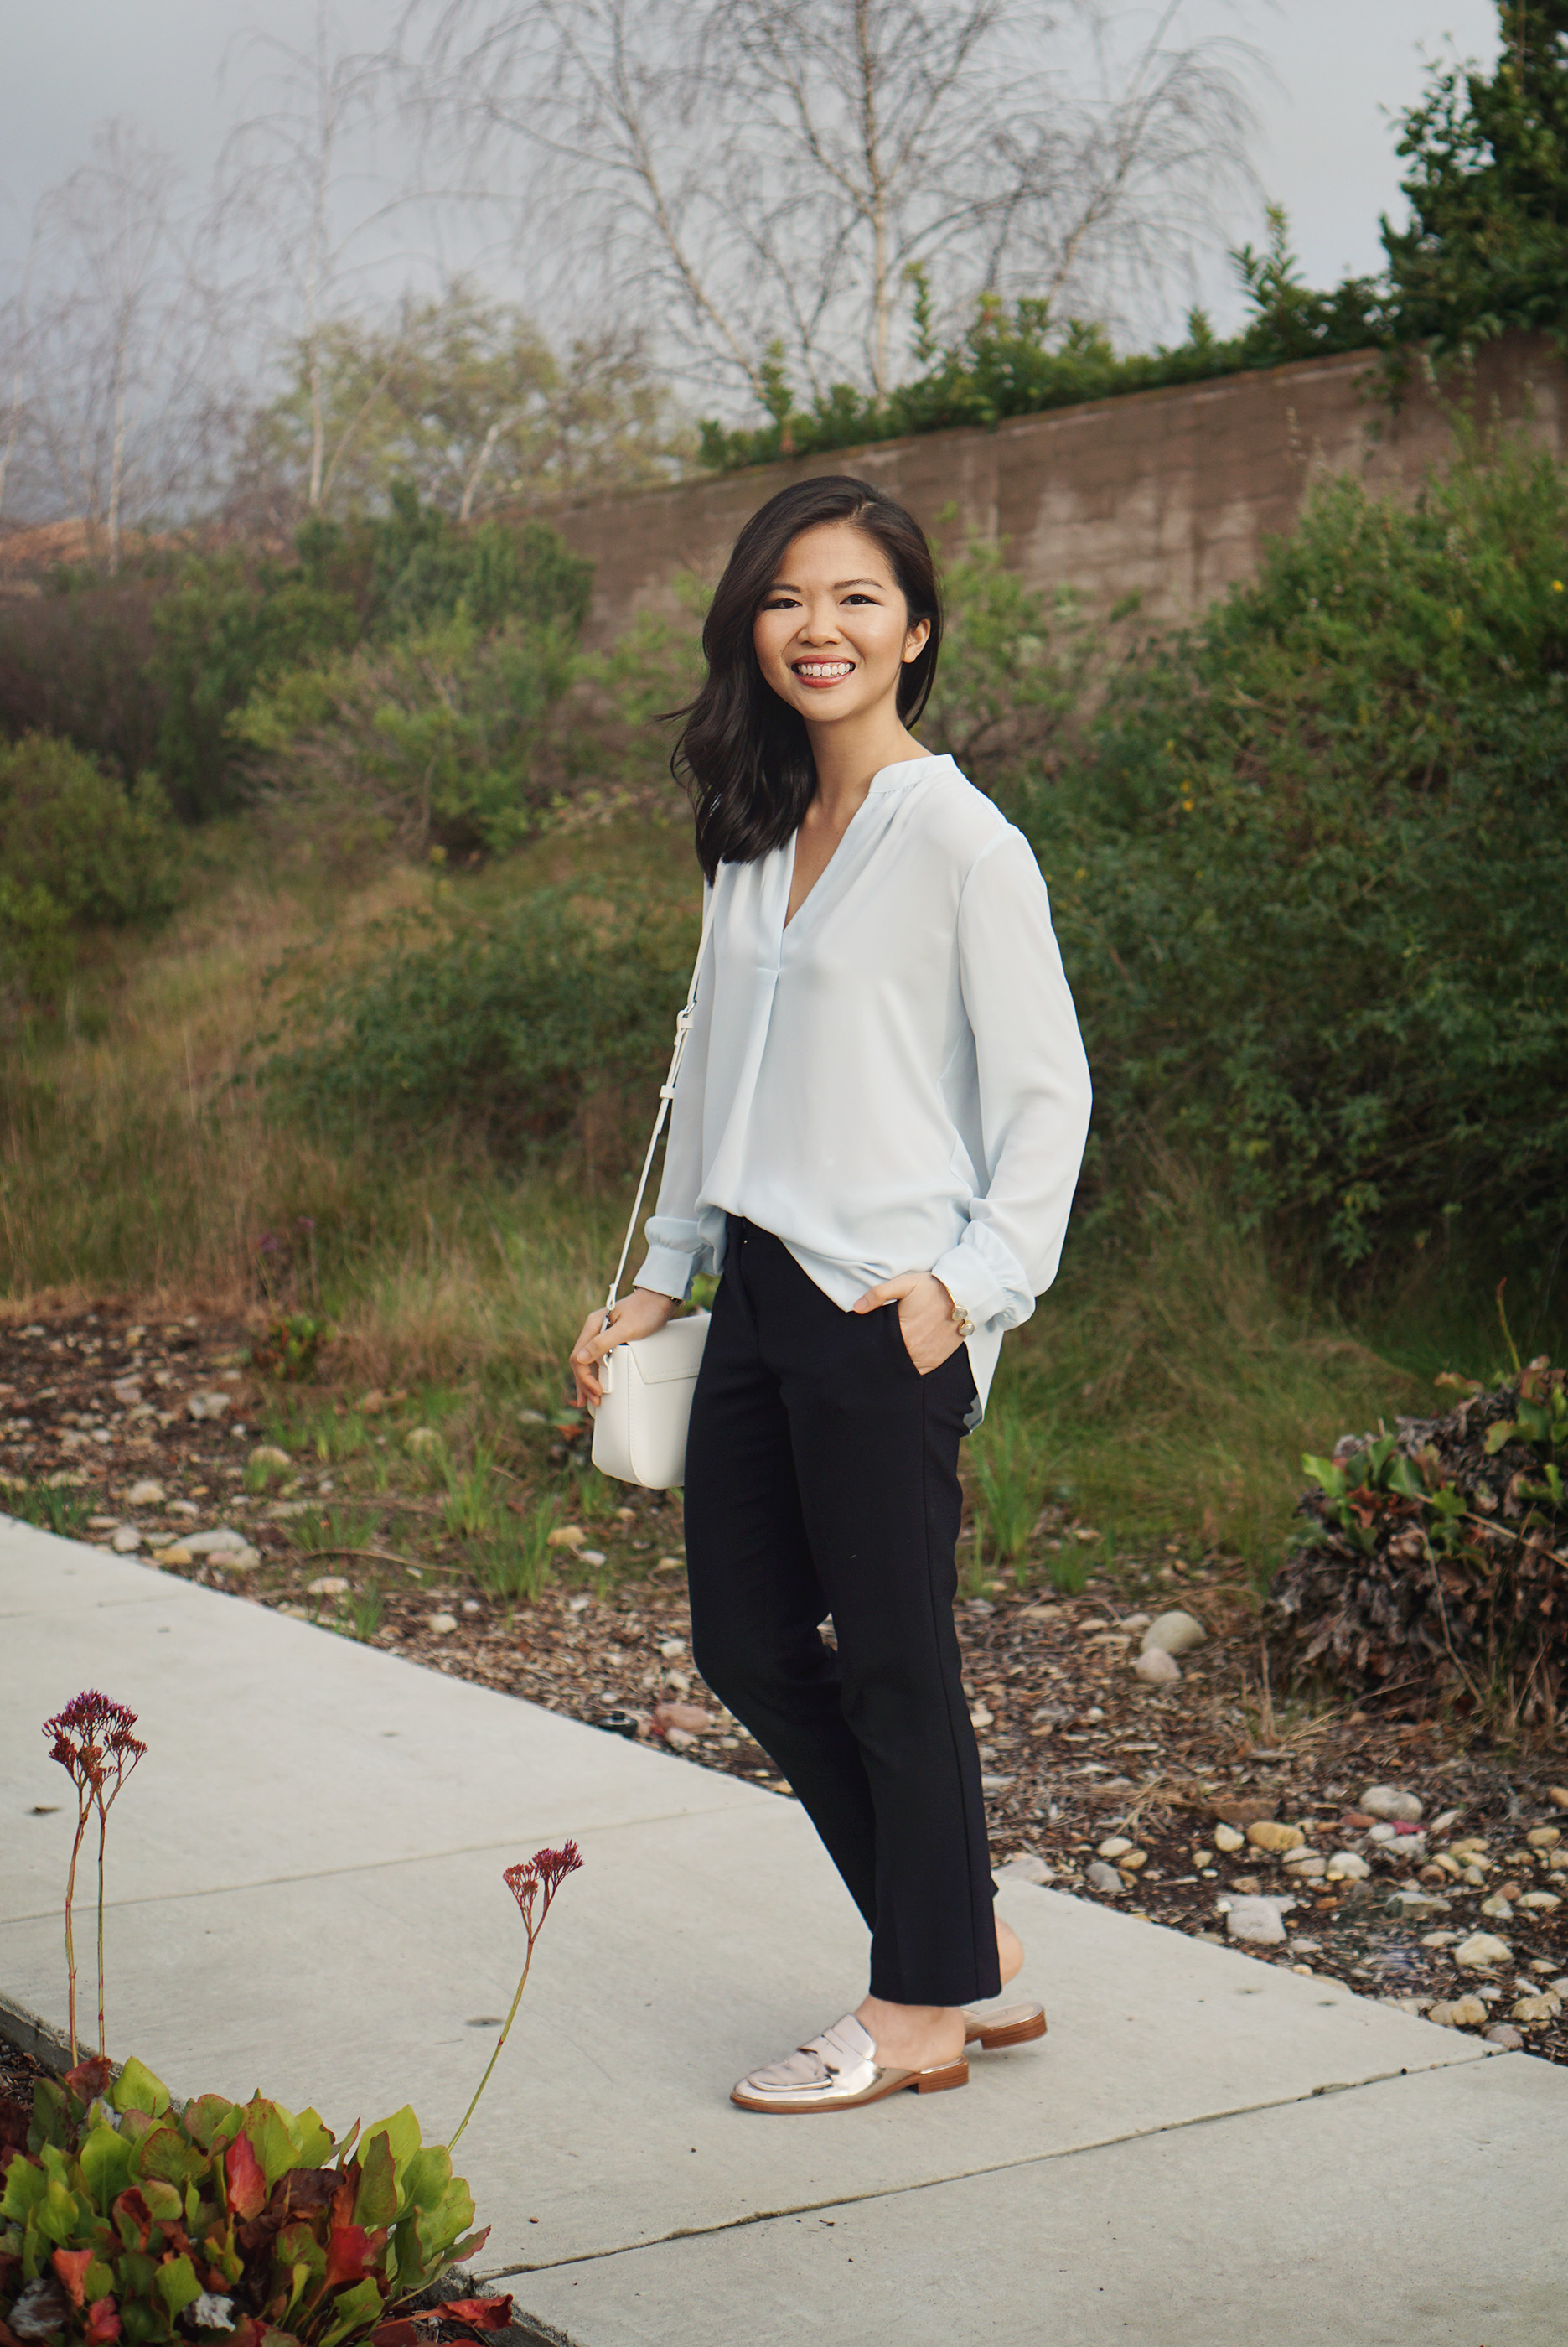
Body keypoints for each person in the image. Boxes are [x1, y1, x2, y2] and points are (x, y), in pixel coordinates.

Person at [570, 474, 1091, 2113]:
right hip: (755, 1294)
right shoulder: (749, 832)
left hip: (884, 1306)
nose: (821, 627)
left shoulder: (960, 841)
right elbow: (710, 1067)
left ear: (915, 630)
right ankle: (967, 1947)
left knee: (890, 1658)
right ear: (751, 625)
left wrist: (970, 1285)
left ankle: (919, 2004)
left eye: (858, 598)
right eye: (791, 598)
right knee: (741, 1639)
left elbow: (1046, 1099)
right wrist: (659, 1278)